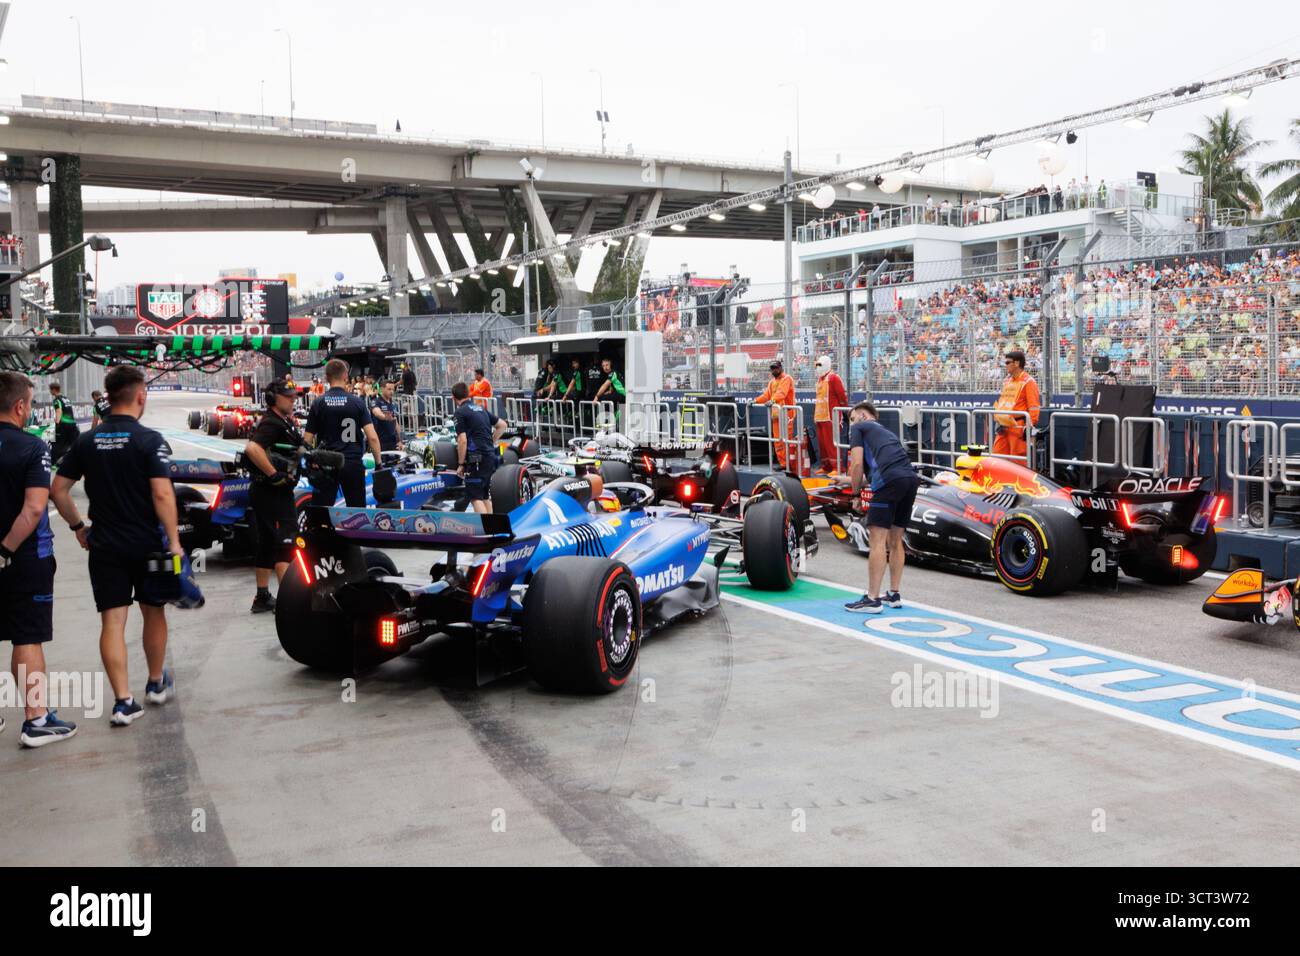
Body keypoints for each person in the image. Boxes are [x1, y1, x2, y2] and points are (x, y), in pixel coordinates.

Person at [50, 365, 181, 728]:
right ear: (140, 396)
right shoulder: (150, 440)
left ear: (107, 397)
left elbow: (58, 490)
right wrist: (174, 541)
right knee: (154, 611)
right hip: (149, 545)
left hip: (105, 544)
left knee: (112, 620)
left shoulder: (87, 441)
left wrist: (78, 527)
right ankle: (155, 683)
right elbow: (162, 494)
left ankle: (123, 702)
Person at [0, 371, 77, 746]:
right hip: (24, 557)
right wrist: (5, 550)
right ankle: (36, 720)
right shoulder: (32, 448)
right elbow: (33, 509)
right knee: (27, 636)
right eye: (30, 404)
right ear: (20, 406)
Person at [842, 402, 919, 615]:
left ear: (863, 415)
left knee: (877, 540)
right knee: (896, 540)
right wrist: (847, 481)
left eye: (852, 418)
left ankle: (872, 599)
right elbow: (875, 473)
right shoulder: (886, 433)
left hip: (889, 483)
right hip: (909, 481)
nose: (851, 424)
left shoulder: (859, 428)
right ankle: (893, 594)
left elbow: (857, 465)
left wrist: (855, 495)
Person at [242, 379, 302, 614]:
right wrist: (274, 474)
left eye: (294, 395)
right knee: (285, 543)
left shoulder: (284, 422)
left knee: (267, 543)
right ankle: (289, 603)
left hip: (268, 491)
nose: (293, 399)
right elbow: (252, 448)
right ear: (273, 398)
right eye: (288, 396)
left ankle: (262, 596)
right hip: (272, 492)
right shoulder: (272, 423)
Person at [303, 358, 381, 507]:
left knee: (322, 510)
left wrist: (310, 461)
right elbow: (372, 438)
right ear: (346, 376)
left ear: (327, 377)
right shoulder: (357, 402)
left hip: (326, 464)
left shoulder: (318, 403)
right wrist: (378, 464)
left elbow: (307, 439)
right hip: (352, 463)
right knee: (356, 510)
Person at [452, 382, 506, 514]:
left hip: (476, 458)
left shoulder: (460, 412)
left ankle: (484, 525)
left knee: (475, 497)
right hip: (490, 456)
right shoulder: (480, 408)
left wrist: (461, 464)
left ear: (453, 398)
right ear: (468, 394)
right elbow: (502, 425)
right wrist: (491, 441)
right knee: (484, 496)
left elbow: (462, 440)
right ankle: (491, 525)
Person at [992, 349, 1041, 459]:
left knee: (1017, 460)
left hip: (1018, 426)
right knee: (998, 457)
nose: (1005, 365)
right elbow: (1003, 402)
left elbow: (1034, 406)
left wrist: (1029, 425)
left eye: (1008, 362)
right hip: (1004, 426)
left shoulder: (1029, 382)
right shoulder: (1008, 381)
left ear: (1017, 363)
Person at [753, 359, 798, 471]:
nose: (774, 370)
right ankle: (783, 464)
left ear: (781, 368)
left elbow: (782, 393)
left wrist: (772, 400)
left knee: (786, 440)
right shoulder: (772, 382)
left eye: (776, 368)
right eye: (772, 369)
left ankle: (789, 464)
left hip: (787, 414)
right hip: (776, 415)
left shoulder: (787, 378)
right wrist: (755, 401)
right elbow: (766, 396)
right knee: (778, 441)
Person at [813, 355, 848, 473]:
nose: (818, 367)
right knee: (822, 444)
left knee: (832, 443)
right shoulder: (820, 379)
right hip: (820, 417)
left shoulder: (833, 378)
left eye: (820, 365)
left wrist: (844, 410)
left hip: (831, 417)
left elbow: (842, 396)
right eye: (817, 365)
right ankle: (826, 466)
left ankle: (837, 467)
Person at [48, 382, 79, 465]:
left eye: (50, 390)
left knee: (56, 444)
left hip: (63, 425)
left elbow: (59, 412)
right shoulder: (66, 398)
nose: (50, 391)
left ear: (54, 390)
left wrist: (56, 425)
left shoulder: (56, 400)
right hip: (73, 424)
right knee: (73, 445)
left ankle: (54, 464)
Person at [369, 379, 401, 452]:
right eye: (389, 389)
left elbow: (395, 422)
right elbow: (377, 413)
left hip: (393, 441)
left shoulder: (393, 403)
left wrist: (399, 440)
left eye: (393, 389)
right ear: (382, 389)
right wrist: (385, 417)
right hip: (380, 441)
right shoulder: (376, 402)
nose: (392, 392)